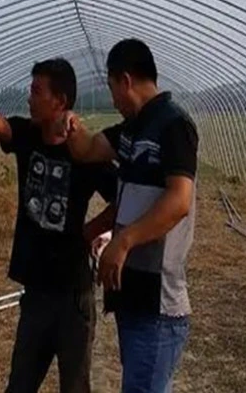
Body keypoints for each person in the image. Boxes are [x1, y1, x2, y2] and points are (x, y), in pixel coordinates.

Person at [0, 59, 117, 393]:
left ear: (59, 102)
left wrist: (94, 228)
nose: (29, 98)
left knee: (75, 387)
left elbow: (124, 198)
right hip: (36, 292)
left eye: (37, 91)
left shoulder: (84, 152)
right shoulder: (28, 136)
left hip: (73, 296)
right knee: (20, 385)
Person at [65, 39, 199, 393]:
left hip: (159, 301)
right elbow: (89, 149)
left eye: (111, 88)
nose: (112, 100)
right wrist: (70, 127)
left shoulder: (173, 125)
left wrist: (123, 241)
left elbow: (179, 200)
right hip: (134, 295)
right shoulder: (132, 130)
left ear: (125, 80)